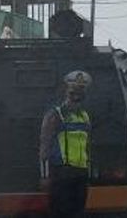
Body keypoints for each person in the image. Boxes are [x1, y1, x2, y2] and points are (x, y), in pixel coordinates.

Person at [39, 70, 92, 218]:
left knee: (78, 213)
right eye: (73, 92)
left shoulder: (84, 116)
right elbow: (45, 145)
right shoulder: (55, 114)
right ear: (66, 93)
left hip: (80, 174)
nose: (76, 96)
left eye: (80, 92)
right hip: (61, 174)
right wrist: (45, 176)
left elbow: (87, 146)